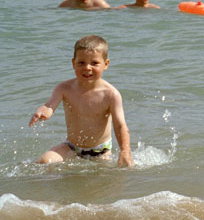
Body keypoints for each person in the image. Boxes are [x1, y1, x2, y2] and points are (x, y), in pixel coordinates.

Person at [29, 35, 133, 166]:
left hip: (100, 151)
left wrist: (125, 151)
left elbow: (120, 125)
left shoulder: (111, 94)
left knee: (103, 181)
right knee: (43, 162)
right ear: (73, 63)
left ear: (105, 64)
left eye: (94, 63)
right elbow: (49, 106)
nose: (87, 67)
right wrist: (42, 111)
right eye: (81, 62)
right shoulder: (64, 88)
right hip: (71, 147)